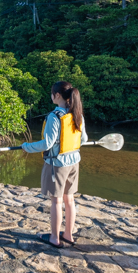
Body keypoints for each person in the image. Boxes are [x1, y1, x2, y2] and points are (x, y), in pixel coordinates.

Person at [22, 81, 86, 248]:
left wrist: (27, 147)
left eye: (52, 94)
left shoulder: (54, 116)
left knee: (56, 201)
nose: (51, 96)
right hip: (74, 162)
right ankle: (68, 235)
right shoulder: (77, 114)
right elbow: (83, 140)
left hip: (57, 164)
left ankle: (54, 238)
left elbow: (47, 144)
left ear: (57, 96)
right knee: (69, 200)